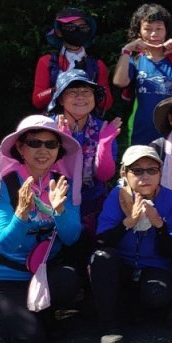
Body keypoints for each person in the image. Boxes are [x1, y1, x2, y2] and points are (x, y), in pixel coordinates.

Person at [0, 115, 83, 343]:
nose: (43, 150)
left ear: (59, 150)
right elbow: (4, 244)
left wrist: (59, 210)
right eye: (35, 143)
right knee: (28, 340)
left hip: (45, 273)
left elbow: (71, 237)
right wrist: (21, 215)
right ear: (20, 147)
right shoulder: (4, 185)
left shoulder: (62, 183)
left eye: (51, 144)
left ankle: (42, 312)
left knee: (70, 280)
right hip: (7, 278)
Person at [89, 146, 172, 343]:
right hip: (122, 265)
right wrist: (130, 221)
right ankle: (110, 326)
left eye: (152, 170)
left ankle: (134, 310)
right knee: (102, 258)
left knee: (157, 295)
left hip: (155, 265)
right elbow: (101, 241)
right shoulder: (116, 197)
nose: (145, 176)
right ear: (124, 173)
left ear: (160, 173)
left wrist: (159, 225)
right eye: (137, 171)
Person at [48, 69, 122, 240]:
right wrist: (63, 141)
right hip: (54, 203)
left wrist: (105, 142)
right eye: (72, 92)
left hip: (93, 206)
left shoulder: (104, 128)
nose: (80, 96)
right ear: (60, 99)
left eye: (86, 91)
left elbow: (104, 176)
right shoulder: (47, 128)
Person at [113, 3, 172, 146]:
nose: (153, 34)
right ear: (138, 31)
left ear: (166, 31)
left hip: (171, 129)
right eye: (147, 29)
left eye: (159, 29)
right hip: (141, 128)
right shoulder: (135, 60)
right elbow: (120, 82)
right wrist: (126, 50)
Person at [33, 7, 114, 115]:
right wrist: (60, 87)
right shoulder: (47, 62)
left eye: (83, 27)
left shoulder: (97, 65)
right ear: (59, 31)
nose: (77, 31)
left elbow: (107, 104)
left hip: (88, 126)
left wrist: (93, 90)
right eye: (70, 27)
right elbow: (37, 100)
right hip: (55, 125)